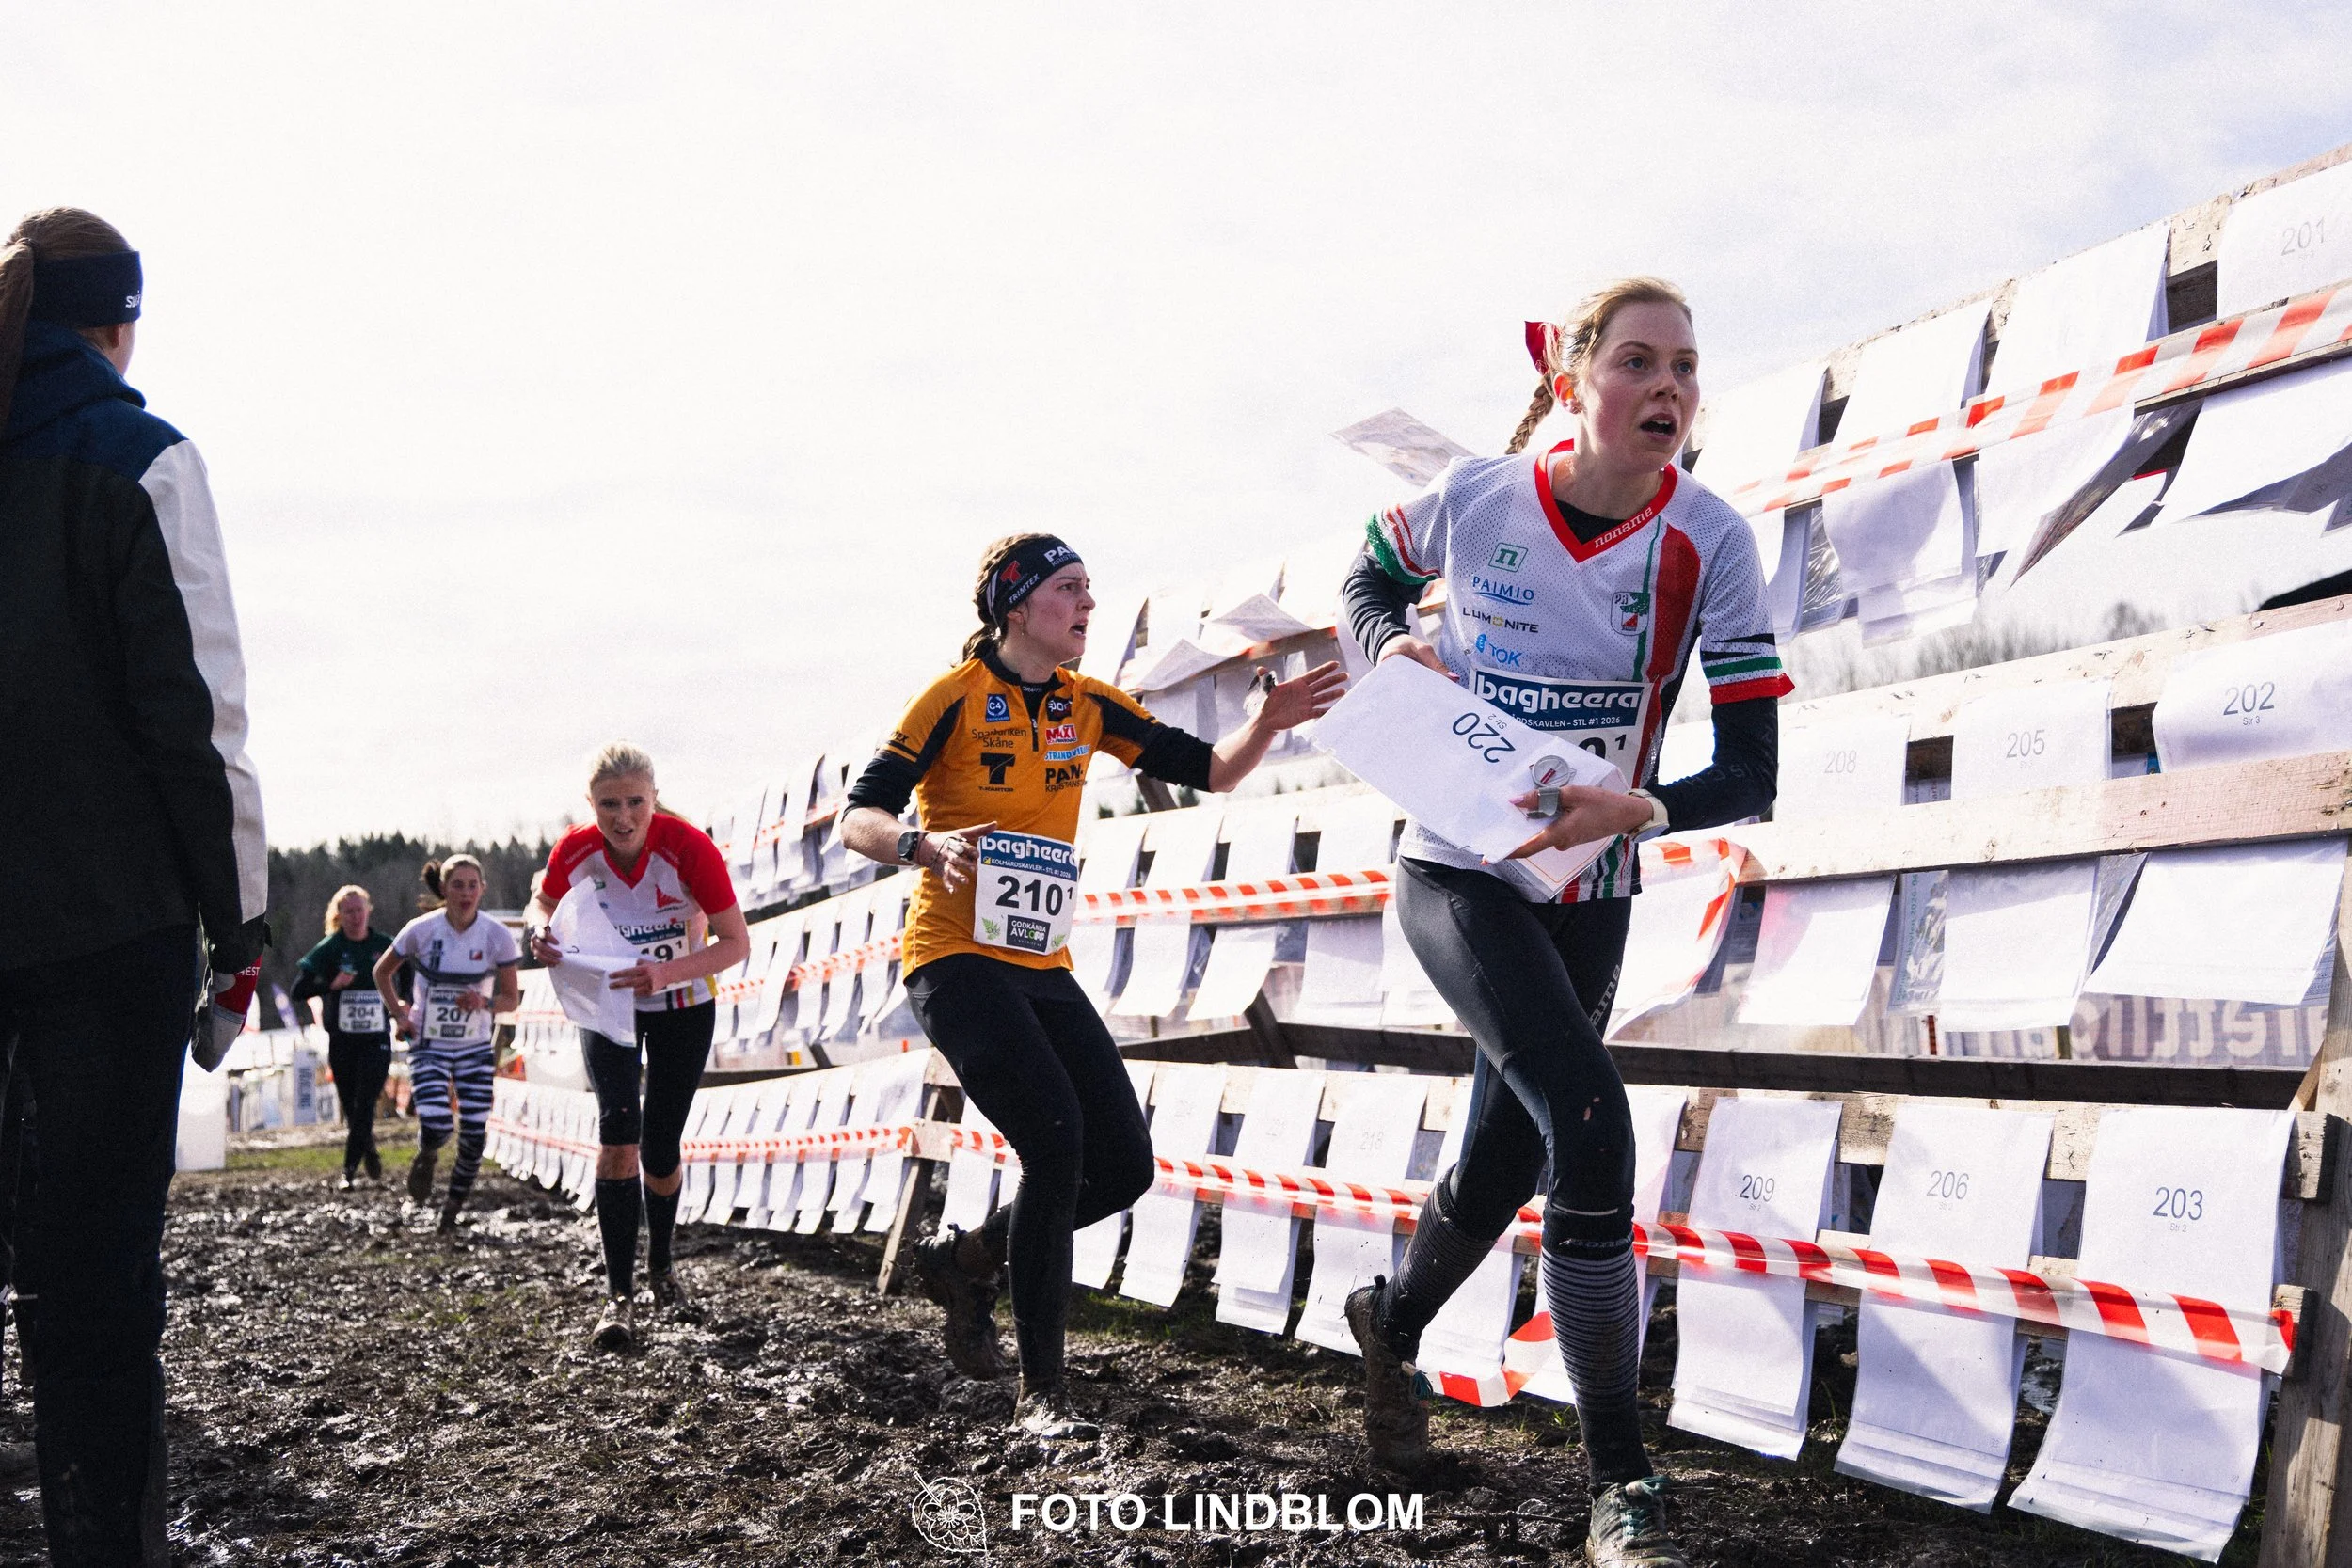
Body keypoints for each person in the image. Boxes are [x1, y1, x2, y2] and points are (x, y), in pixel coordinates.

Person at [1334, 278, 1787, 1564]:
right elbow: (1366, 577)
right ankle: (1621, 1479)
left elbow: (1750, 771)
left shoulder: (1713, 539)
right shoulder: (1480, 496)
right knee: (1590, 1123)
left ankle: (1391, 1317)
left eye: (1687, 368)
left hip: (1591, 886)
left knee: (1506, 1155)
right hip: (1455, 869)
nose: (1668, 388)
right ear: (1578, 377)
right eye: (1638, 361)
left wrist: (1626, 807)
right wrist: (1388, 648)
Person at [839, 533, 1345, 1439]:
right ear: (1017, 604)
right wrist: (923, 843)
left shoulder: (1087, 704)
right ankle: (1043, 1394)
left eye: (1089, 590)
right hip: (953, 958)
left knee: (1122, 1162)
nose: (1088, 606)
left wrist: (1268, 724)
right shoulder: (952, 699)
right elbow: (859, 817)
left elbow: (1214, 770)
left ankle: (971, 1259)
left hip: (1039, 963)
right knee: (1057, 1141)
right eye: (1070, 589)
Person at [0, 207, 271, 1565]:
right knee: (98, 1274)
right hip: (107, 920)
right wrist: (244, 922)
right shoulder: (136, 456)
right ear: (121, 322)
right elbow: (196, 714)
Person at [528, 744, 749, 1352]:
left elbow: (735, 943)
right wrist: (536, 928)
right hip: (611, 1007)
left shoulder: (687, 847)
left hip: (682, 1004)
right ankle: (618, 1296)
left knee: (659, 1146)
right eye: (608, 804)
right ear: (590, 803)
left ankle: (662, 1266)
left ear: (653, 798)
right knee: (618, 1131)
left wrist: (667, 973)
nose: (622, 818)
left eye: (634, 803)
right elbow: (542, 902)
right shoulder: (575, 849)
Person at [373, 857, 520, 1232]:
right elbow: (382, 972)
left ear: (482, 890)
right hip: (428, 1042)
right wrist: (400, 1014)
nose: (466, 893)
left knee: (474, 1133)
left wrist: (484, 1003)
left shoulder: (497, 935)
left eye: (473, 885)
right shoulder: (421, 930)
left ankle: (451, 1210)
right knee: (438, 1123)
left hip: (474, 1046)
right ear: (444, 889)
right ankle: (427, 1153)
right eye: (458, 885)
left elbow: (511, 1000)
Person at [291, 885, 395, 1187]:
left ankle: (348, 1172)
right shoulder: (330, 948)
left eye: (359, 909)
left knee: (365, 1103)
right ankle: (369, 1150)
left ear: (368, 910)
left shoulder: (384, 945)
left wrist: (403, 1006)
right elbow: (299, 990)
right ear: (339, 915)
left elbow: (407, 973)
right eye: (348, 911)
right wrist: (331, 984)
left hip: (377, 1039)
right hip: (343, 1040)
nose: (355, 916)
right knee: (352, 1106)